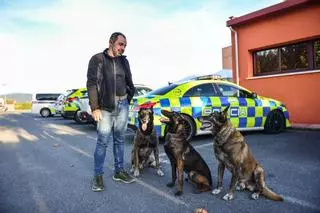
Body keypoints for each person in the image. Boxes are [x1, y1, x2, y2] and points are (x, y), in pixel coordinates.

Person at [87, 32, 136, 192]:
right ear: (111, 42)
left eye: (125, 45)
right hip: (105, 107)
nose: (123, 48)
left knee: (120, 140)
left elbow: (129, 81)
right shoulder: (97, 59)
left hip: (123, 105)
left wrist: (128, 98)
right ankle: (98, 175)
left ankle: (119, 171)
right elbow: (92, 83)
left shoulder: (124, 61)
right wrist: (95, 107)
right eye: (120, 44)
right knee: (103, 142)